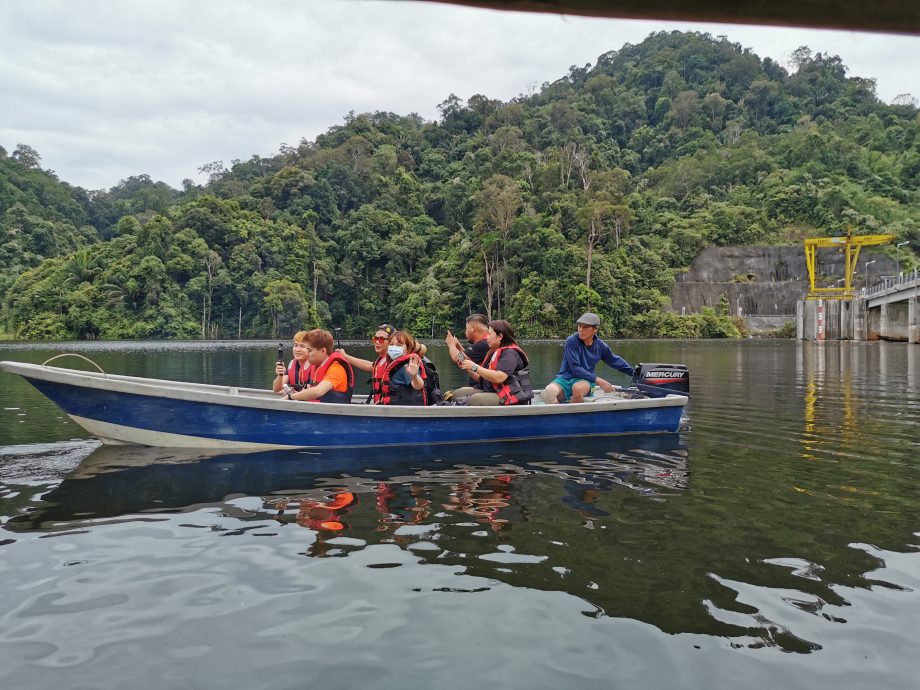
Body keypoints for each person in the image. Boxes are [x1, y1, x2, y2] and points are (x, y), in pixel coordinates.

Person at [542, 312, 634, 404]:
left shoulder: (601, 346)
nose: (580, 330)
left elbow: (614, 361)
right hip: (565, 378)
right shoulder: (571, 341)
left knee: (577, 389)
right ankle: (560, 415)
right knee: (549, 391)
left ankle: (575, 415)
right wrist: (600, 381)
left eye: (585, 327)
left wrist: (634, 373)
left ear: (595, 329)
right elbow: (575, 368)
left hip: (586, 380)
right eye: (579, 326)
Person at [451, 320, 533, 406]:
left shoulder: (510, 353)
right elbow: (481, 378)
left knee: (476, 399)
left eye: (489, 334)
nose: (487, 337)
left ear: (500, 336)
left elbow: (499, 377)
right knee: (457, 394)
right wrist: (466, 365)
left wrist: (451, 345)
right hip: (496, 391)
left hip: (511, 397)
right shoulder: (494, 351)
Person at [283, 329, 354, 403]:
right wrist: (297, 394)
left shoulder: (336, 369)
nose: (307, 354)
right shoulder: (317, 367)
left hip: (334, 412)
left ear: (323, 351)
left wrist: (290, 397)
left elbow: (318, 391)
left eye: (310, 350)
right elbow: (311, 393)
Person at [338, 323, 396, 404]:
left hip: (387, 408)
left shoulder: (394, 361)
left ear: (391, 342)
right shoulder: (381, 360)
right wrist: (345, 356)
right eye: (375, 339)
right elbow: (368, 365)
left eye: (382, 339)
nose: (377, 342)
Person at [378, 330, 428, 405]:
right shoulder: (393, 363)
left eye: (399, 345)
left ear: (407, 349)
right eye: (391, 344)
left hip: (405, 411)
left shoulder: (407, 365)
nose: (394, 347)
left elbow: (418, 385)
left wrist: (414, 376)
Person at [445, 313, 490, 386]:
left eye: (466, 328)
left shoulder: (484, 344)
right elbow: (466, 357)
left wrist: (451, 344)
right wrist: (457, 346)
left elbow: (458, 358)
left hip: (481, 388)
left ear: (473, 328)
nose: (465, 331)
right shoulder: (487, 341)